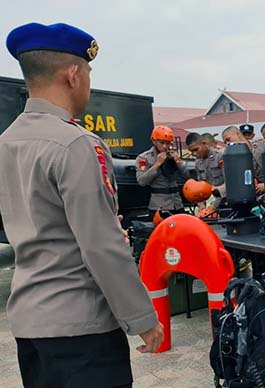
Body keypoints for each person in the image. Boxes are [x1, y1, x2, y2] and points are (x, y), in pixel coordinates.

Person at [0, 22, 162, 387]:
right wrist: (142, 317)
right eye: (87, 72)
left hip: (30, 323)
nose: (87, 81)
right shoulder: (75, 144)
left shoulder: (7, 141)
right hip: (80, 327)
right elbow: (100, 244)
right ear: (72, 75)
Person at [137, 125, 189, 220]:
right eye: (161, 143)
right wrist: (157, 164)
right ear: (154, 141)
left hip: (177, 204)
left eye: (168, 143)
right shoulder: (145, 158)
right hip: (159, 205)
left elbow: (187, 177)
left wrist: (179, 163)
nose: (165, 146)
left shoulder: (173, 155)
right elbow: (142, 181)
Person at [186, 132, 225, 212]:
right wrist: (201, 204)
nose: (194, 153)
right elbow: (199, 186)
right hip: (209, 205)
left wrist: (214, 205)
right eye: (191, 151)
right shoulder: (198, 162)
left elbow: (230, 183)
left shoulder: (220, 156)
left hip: (224, 202)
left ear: (204, 143)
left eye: (196, 149)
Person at [222, 126, 265, 195]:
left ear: (238, 134)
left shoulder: (262, 145)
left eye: (228, 139)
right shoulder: (234, 160)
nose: (228, 143)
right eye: (225, 142)